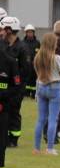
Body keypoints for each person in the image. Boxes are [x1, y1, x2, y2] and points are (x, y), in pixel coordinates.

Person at [31, 33, 60, 156]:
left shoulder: (37, 57)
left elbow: (37, 73)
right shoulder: (57, 58)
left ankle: (36, 148)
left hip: (41, 86)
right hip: (54, 86)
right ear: (53, 44)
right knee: (52, 119)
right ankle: (50, 148)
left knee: (41, 119)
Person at [2, 16, 29, 147]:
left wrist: (18, 87)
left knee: (14, 112)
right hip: (4, 87)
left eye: (3, 29)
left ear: (9, 30)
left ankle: (13, 139)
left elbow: (26, 70)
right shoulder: (3, 45)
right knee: (4, 113)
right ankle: (5, 137)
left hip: (16, 88)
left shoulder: (22, 48)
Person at [0, 32, 20, 168]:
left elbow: (16, 87)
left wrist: (4, 99)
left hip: (3, 110)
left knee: (1, 144)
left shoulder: (10, 62)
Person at [21, 24, 40, 99]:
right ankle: (26, 93)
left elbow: (39, 53)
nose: (30, 33)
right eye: (28, 32)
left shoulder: (37, 43)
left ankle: (34, 94)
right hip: (25, 65)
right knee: (26, 80)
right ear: (26, 33)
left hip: (35, 66)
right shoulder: (22, 43)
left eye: (31, 32)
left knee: (34, 80)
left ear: (33, 33)